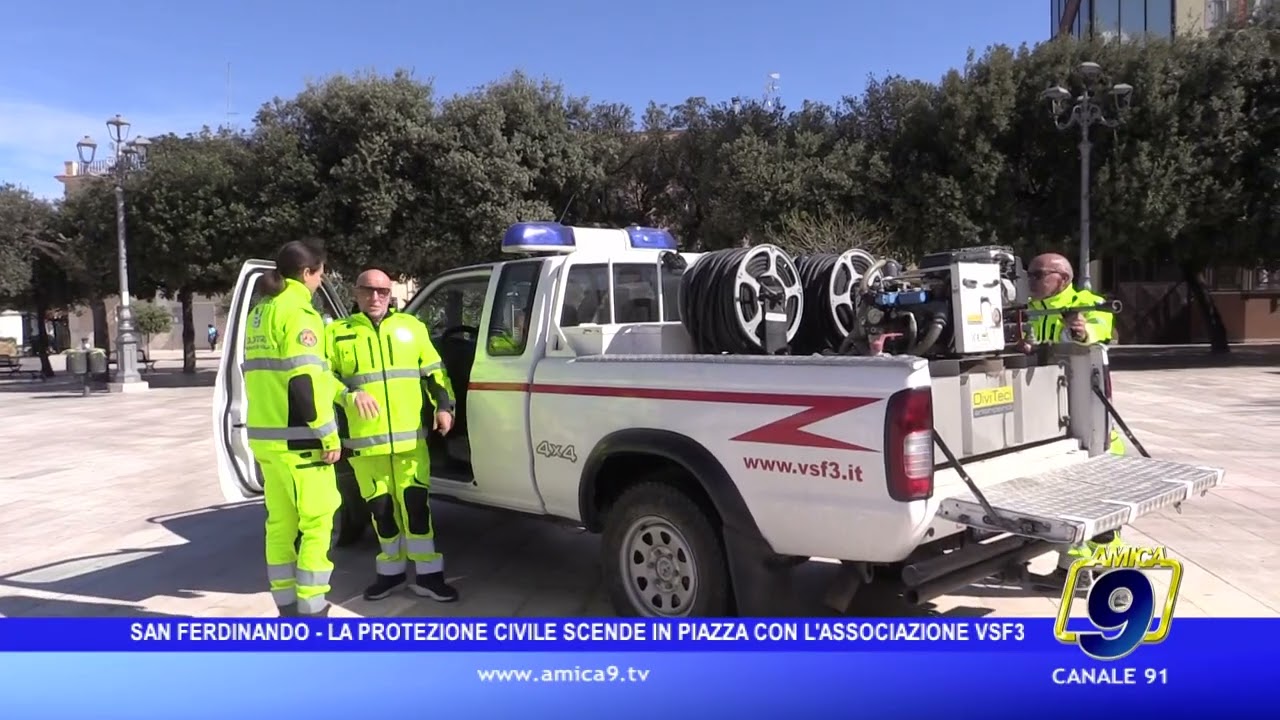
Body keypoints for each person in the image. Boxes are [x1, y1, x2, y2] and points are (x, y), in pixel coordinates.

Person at [326, 268, 460, 603]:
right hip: (365, 447)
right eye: (368, 290)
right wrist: (348, 395)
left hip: (410, 443)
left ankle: (429, 576)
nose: (375, 297)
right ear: (355, 293)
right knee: (382, 513)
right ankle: (390, 575)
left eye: (382, 291)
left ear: (391, 295)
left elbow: (434, 372)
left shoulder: (412, 328)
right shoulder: (337, 334)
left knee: (416, 509)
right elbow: (322, 379)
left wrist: (445, 407)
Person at [241, 239, 348, 617]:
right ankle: (313, 610)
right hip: (300, 440)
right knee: (318, 523)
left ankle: (286, 607)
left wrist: (343, 394)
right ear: (307, 273)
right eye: (321, 274)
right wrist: (328, 434)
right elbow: (302, 382)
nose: (321, 281)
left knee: (280, 525)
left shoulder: (260, 313)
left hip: (266, 440)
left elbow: (307, 374)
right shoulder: (301, 315)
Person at [1025, 252, 1124, 586]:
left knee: (1098, 493)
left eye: (1039, 274)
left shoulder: (1087, 302)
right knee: (1069, 492)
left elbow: (1097, 332)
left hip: (1086, 410)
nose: (1032, 280)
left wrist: (1081, 330)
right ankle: (1077, 570)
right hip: (1048, 408)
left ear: (1063, 278)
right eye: (1030, 274)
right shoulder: (1028, 309)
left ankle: (1092, 571)